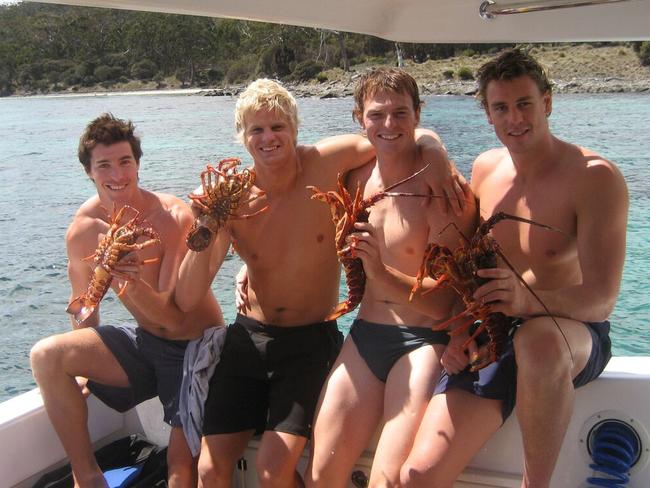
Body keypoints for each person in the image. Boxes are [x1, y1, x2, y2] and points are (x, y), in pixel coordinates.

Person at [174, 78, 465, 488]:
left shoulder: (329, 163)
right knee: (207, 468)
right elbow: (186, 297)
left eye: (278, 126)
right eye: (257, 129)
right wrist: (205, 225)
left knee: (273, 470)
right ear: (242, 137)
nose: (268, 137)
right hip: (247, 339)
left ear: (295, 128)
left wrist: (434, 153)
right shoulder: (233, 198)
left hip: (309, 343)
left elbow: (394, 134)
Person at [400, 48, 628, 488]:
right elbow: (471, 270)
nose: (514, 118)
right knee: (417, 476)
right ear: (487, 113)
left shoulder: (596, 177)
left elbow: (601, 301)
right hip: (495, 329)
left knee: (538, 345)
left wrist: (526, 299)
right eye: (501, 107)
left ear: (547, 102)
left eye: (525, 103)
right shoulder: (485, 168)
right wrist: (461, 332)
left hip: (568, 329)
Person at [30, 113, 225, 488]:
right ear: (89, 171)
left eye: (125, 162)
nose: (117, 175)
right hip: (144, 342)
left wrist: (130, 283)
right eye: (104, 165)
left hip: (195, 345)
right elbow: (83, 304)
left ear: (138, 164)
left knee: (179, 470)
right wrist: (87, 362)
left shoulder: (171, 217)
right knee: (46, 356)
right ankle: (86, 477)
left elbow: (174, 316)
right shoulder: (84, 230)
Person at [304, 68, 475, 488]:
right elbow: (286, 201)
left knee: (389, 481)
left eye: (401, 113)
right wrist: (250, 270)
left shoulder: (444, 191)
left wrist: (380, 270)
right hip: (364, 336)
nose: (389, 125)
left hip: (423, 342)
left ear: (418, 113)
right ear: (358, 118)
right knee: (320, 473)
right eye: (376, 115)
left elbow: (444, 303)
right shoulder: (352, 180)